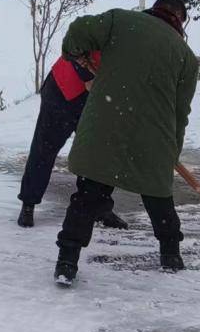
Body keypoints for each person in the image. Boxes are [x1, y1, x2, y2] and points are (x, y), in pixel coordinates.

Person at [52, 0, 198, 286]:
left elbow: (79, 30)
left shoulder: (120, 21)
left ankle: (67, 262)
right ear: (180, 20)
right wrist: (172, 150)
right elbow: (181, 113)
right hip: (154, 135)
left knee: (88, 195)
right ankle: (171, 255)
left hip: (107, 124)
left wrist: (73, 52)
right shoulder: (186, 57)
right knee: (158, 197)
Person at [15, 51, 127, 229]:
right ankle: (29, 203)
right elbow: (74, 45)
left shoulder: (141, 42)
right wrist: (86, 75)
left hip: (96, 98)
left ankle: (100, 207)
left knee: (101, 152)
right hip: (62, 89)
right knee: (45, 148)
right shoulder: (105, 24)